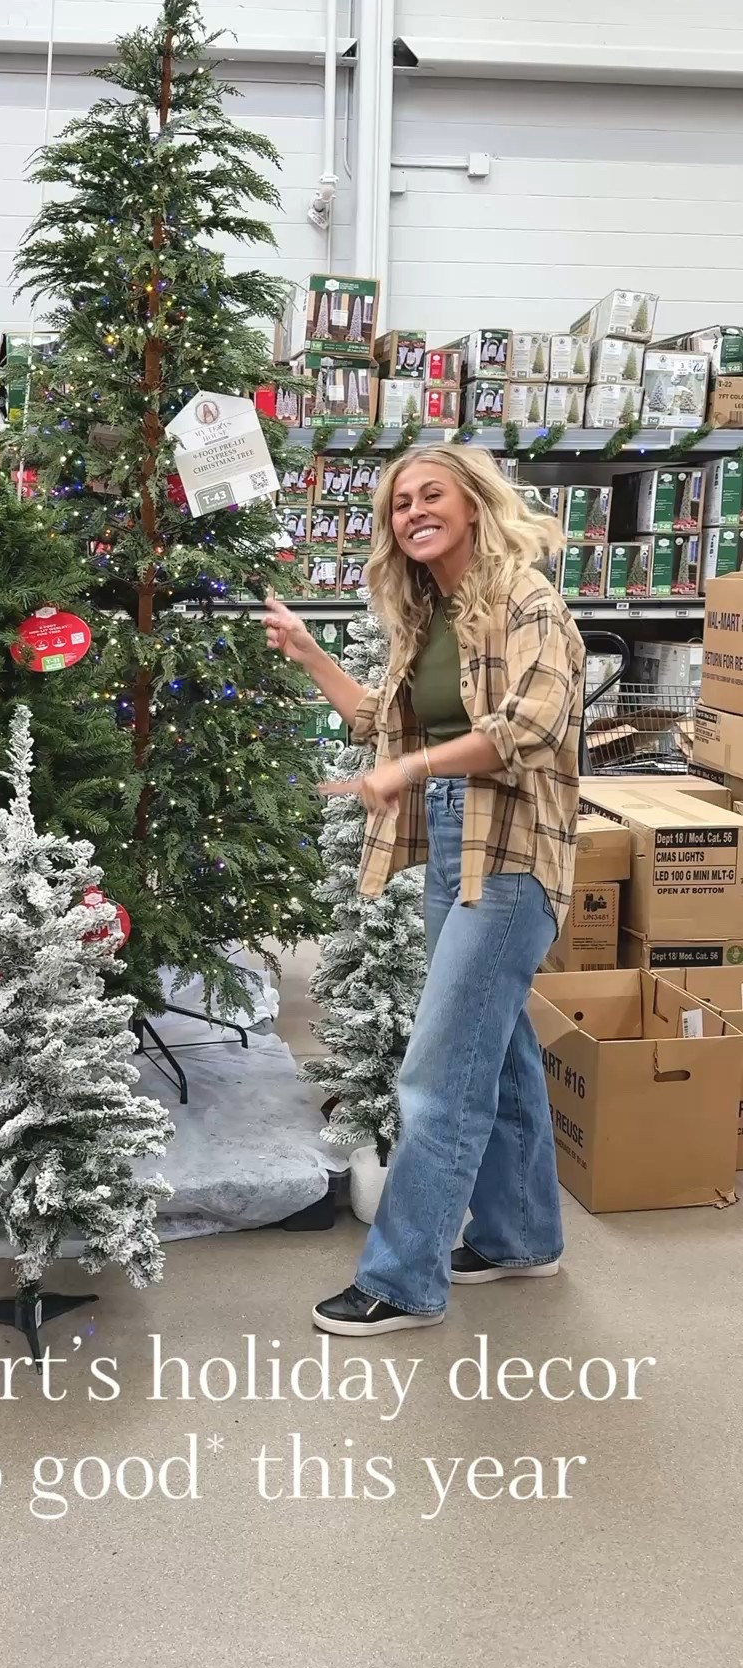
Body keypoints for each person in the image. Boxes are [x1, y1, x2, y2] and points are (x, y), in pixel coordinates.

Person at [263, 445, 584, 1337]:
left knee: (440, 1072)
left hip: (514, 854)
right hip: (456, 843)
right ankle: (522, 1239)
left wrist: (415, 767)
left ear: (474, 504)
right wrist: (306, 653)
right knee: (502, 1049)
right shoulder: (433, 610)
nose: (412, 512)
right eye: (399, 503)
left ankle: (405, 1280)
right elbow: (380, 720)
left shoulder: (528, 599)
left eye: (430, 494)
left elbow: (531, 724)